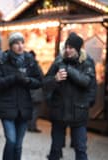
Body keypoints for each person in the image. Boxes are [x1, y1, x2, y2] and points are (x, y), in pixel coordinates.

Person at [44, 32, 96, 160]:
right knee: (55, 150)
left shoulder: (87, 62)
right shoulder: (58, 61)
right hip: (59, 112)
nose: (67, 50)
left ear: (77, 49)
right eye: (66, 47)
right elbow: (45, 83)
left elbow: (86, 82)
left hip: (79, 113)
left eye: (71, 47)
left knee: (80, 149)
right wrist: (55, 79)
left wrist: (69, 69)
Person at [0, 32, 42, 160]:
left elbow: (39, 81)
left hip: (24, 107)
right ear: (10, 46)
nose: (20, 46)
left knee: (18, 145)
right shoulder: (3, 61)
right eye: (16, 43)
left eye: (22, 43)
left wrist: (27, 81)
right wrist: (13, 78)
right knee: (11, 141)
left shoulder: (30, 60)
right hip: (7, 107)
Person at [27, 50, 45, 133]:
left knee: (30, 108)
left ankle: (29, 125)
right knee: (35, 109)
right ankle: (32, 126)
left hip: (28, 91)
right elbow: (42, 77)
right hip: (36, 90)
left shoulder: (25, 66)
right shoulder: (36, 66)